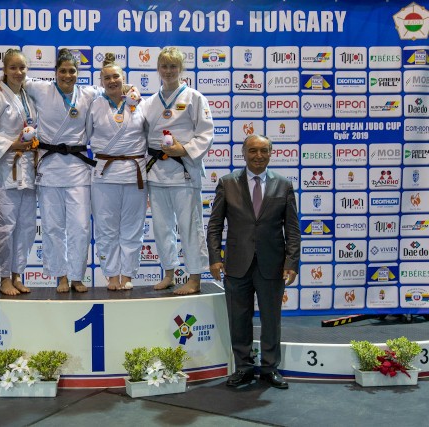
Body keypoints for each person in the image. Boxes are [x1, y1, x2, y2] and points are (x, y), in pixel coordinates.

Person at [0, 48, 101, 293]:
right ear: (55, 72)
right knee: (52, 227)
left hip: (77, 169)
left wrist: (127, 89)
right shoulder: (41, 88)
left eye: (72, 71)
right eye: (63, 71)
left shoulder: (88, 93)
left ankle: (76, 276)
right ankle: (61, 276)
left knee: (80, 227)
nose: (67, 75)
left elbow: (111, 89)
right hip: (49, 168)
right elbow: (14, 78)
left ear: (78, 72)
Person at [207, 134, 300, 390]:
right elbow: (214, 225)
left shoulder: (284, 185)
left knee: (271, 319)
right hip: (237, 264)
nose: (258, 156)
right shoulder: (227, 183)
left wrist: (292, 262)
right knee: (239, 319)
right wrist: (215, 258)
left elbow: (292, 229)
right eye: (252, 151)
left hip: (273, 264)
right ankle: (244, 368)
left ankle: (270, 368)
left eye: (263, 151)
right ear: (244, 153)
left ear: (271, 153)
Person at [142, 47, 213, 295]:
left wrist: (184, 149)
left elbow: (206, 133)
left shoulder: (195, 98)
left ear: (181, 69)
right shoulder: (149, 102)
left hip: (184, 171)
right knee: (162, 227)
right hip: (157, 172)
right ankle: (169, 273)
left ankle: (194, 277)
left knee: (190, 226)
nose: (169, 71)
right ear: (158, 69)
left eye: (173, 66)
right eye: (164, 66)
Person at [0, 49, 36, 296]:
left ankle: (17, 273)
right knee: (4, 227)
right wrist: (12, 145)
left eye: (22, 67)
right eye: (13, 68)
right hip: (4, 170)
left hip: (27, 170)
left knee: (26, 227)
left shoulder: (28, 93)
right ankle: (3, 277)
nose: (18, 72)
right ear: (4, 69)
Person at [86, 53, 147, 290]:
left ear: (124, 78)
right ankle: (112, 274)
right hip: (104, 173)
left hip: (134, 173)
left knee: (133, 226)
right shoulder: (94, 104)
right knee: (105, 227)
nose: (112, 81)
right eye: (107, 78)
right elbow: (85, 136)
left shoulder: (139, 103)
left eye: (116, 77)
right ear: (101, 81)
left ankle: (128, 274)